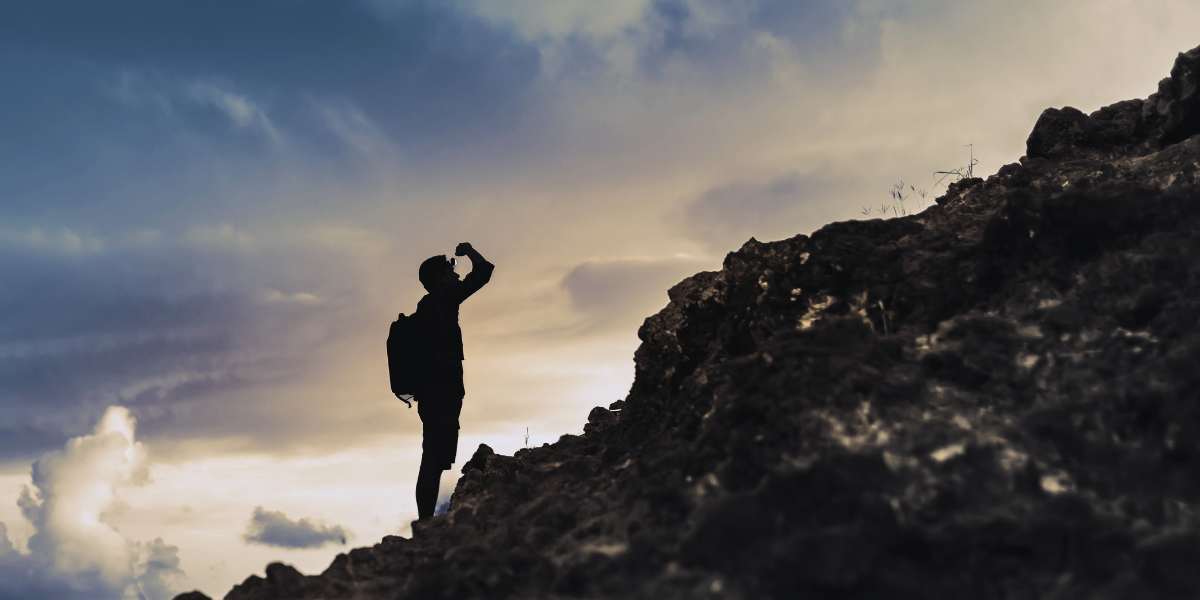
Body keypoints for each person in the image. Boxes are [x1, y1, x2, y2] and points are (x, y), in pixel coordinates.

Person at [409, 242, 494, 520]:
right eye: (450, 269)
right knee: (433, 459)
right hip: (441, 390)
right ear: (439, 279)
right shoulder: (441, 301)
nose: (455, 272)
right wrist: (469, 250)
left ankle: (425, 522)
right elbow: (482, 273)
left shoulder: (427, 307)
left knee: (433, 457)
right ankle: (425, 525)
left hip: (432, 393)